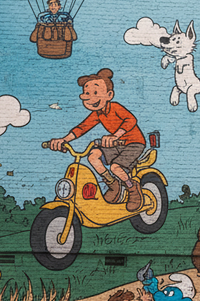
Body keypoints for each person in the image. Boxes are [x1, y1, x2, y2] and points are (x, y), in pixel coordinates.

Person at [48, 68, 147, 213]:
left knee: (115, 167)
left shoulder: (115, 107)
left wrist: (115, 136)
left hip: (134, 143)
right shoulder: (98, 113)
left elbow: (130, 119)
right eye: (87, 94)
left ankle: (132, 188)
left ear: (109, 95)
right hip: (116, 144)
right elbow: (82, 128)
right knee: (93, 155)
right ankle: (113, 184)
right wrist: (63, 140)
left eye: (95, 93)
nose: (90, 98)